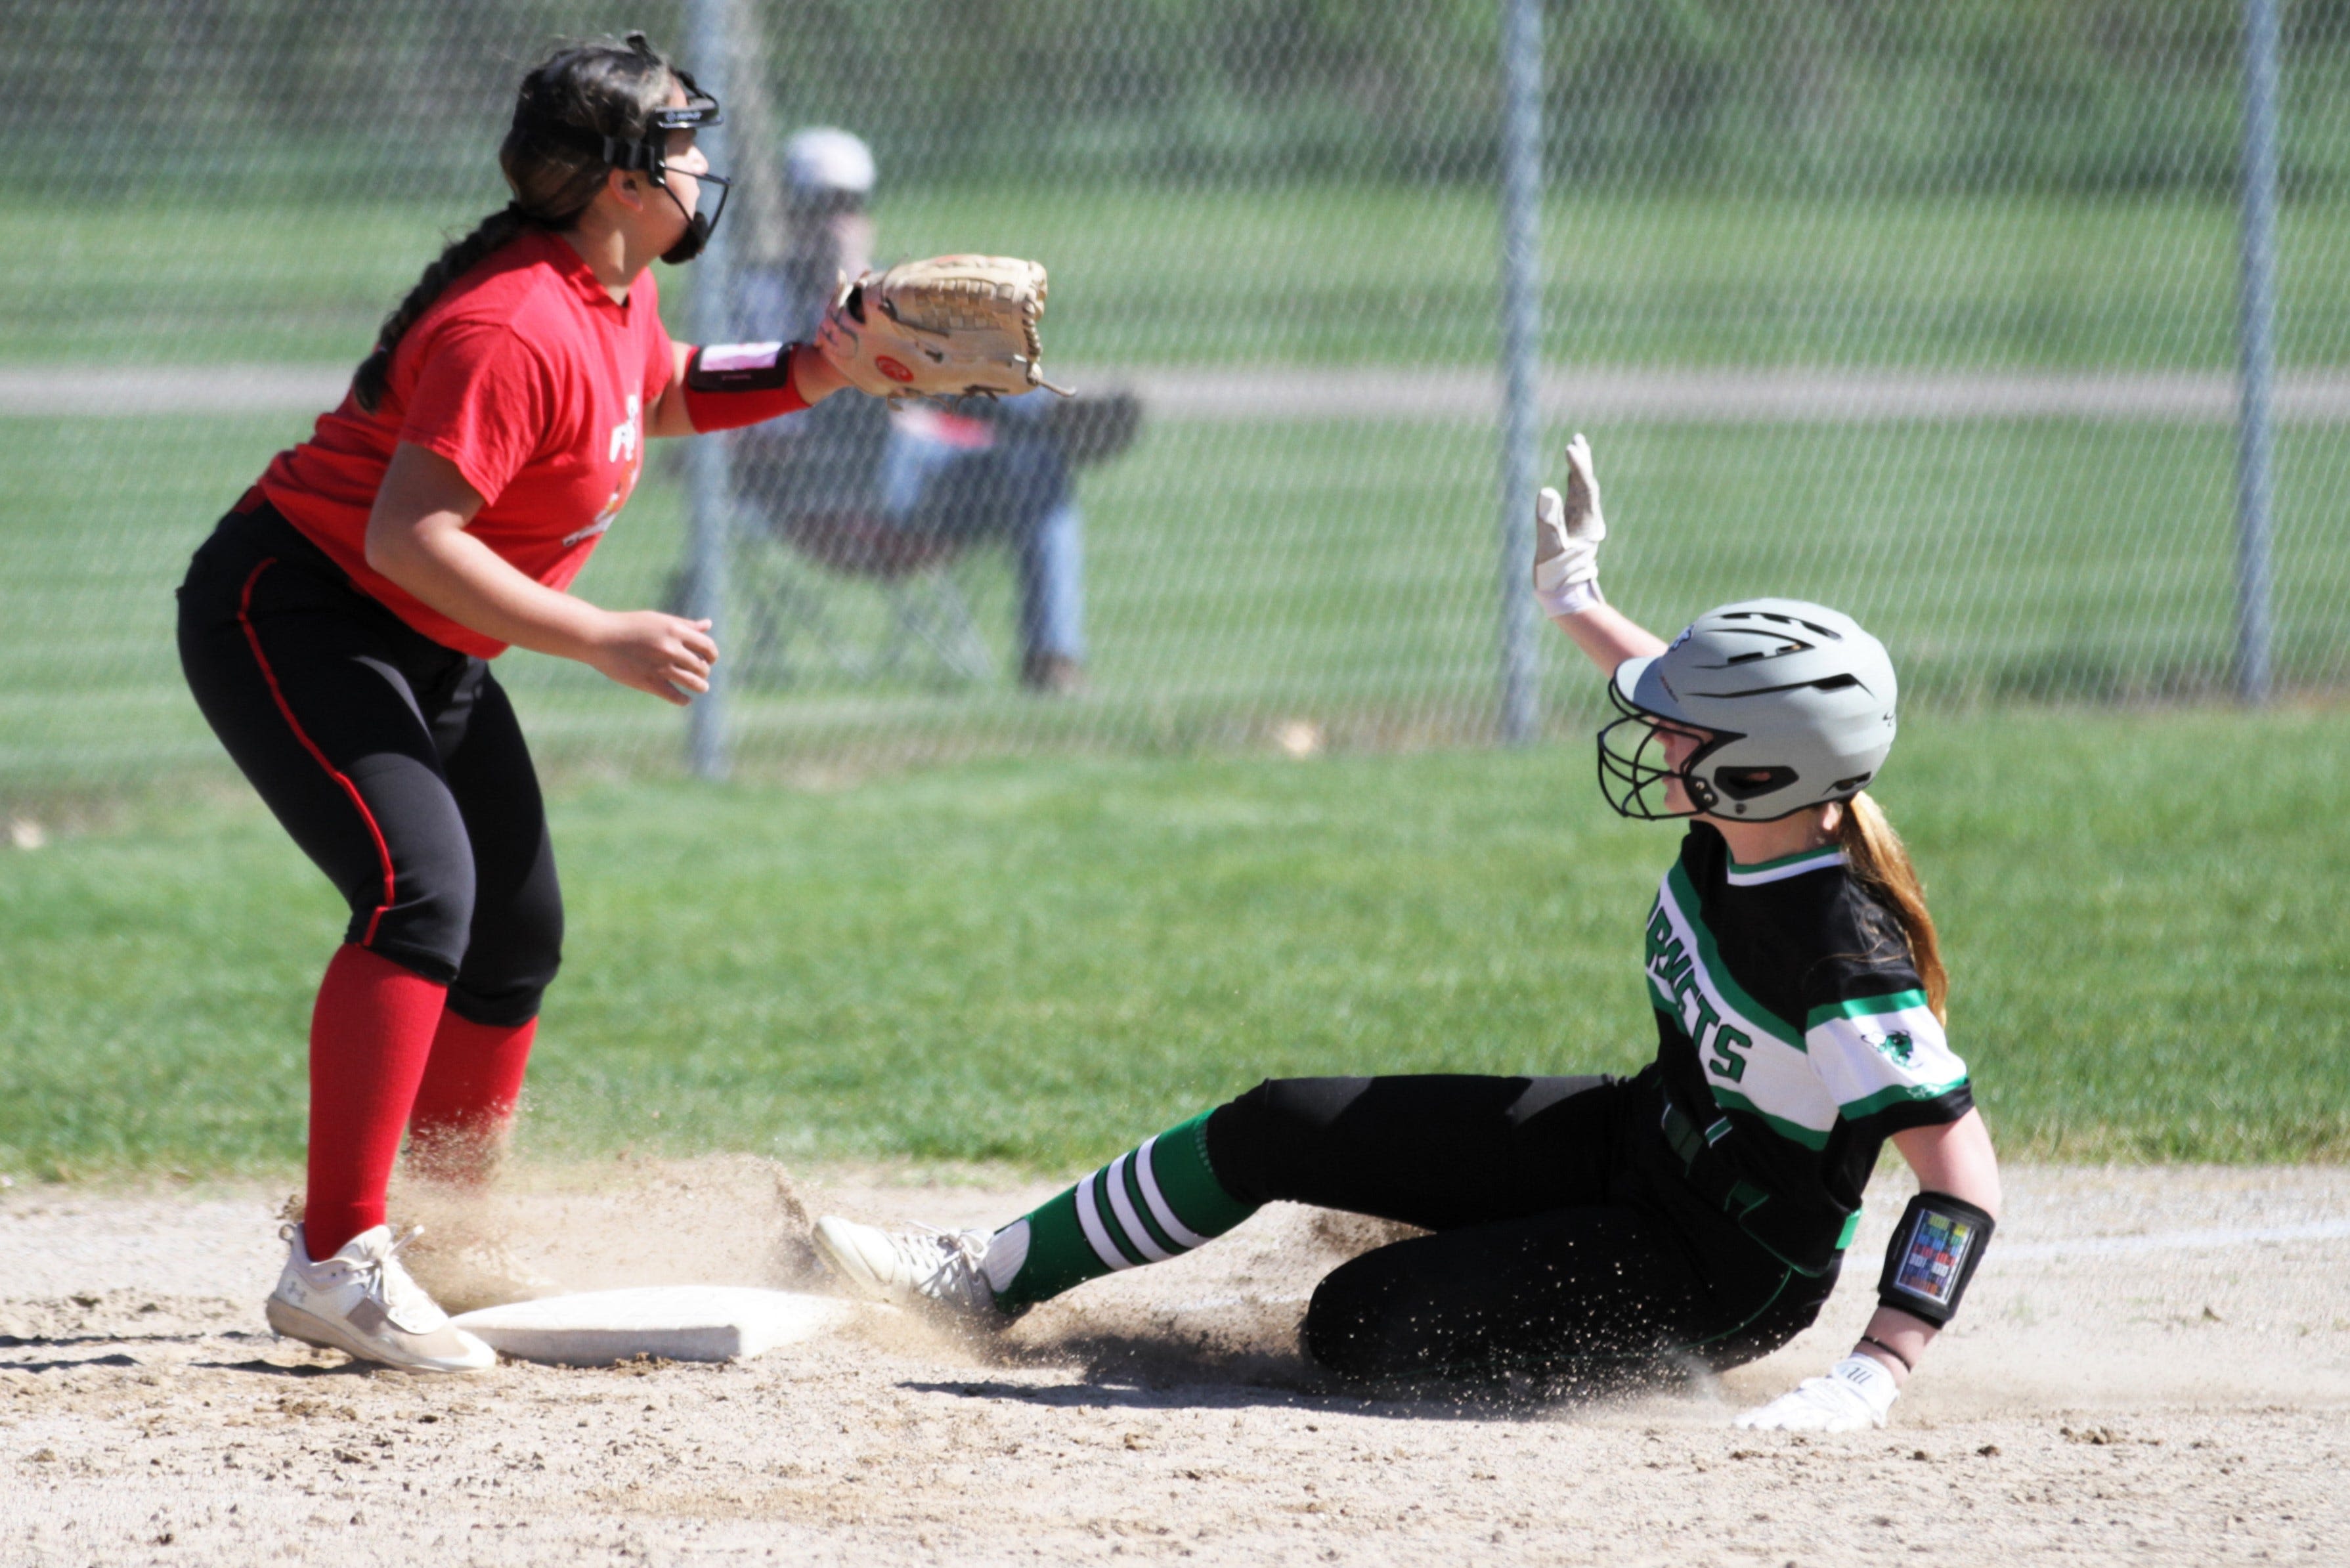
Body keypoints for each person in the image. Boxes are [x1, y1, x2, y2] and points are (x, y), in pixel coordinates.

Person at [812, 435, 2003, 1430]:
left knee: (1353, 1325)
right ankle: (977, 1281)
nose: (1653, 737)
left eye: (1685, 734)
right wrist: (1575, 598)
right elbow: (1664, 679)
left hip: (1715, 1273)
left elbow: (1960, 1184)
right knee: (1275, 1120)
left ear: (1762, 768)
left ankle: (1622, 1349)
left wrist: (1872, 1370)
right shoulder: (1757, 817)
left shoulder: (1839, 957)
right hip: (1634, 1145)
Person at [175, 33, 881, 1373]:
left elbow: (657, 395)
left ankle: (442, 1238)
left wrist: (820, 364)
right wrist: (597, 636)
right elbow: (406, 536)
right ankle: (339, 1261)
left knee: (513, 933)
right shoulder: (508, 321)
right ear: (618, 184)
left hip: (418, 641)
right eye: (676, 145)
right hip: (302, 614)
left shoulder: (602, 292)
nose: (696, 166)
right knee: (420, 894)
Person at [724, 127, 1139, 693]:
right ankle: (1046, 414)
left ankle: (1053, 663)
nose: (836, 220)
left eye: (850, 205)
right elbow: (749, 416)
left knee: (1038, 466)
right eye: (821, 205)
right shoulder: (755, 296)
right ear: (792, 213)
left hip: (917, 480)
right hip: (808, 481)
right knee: (860, 363)